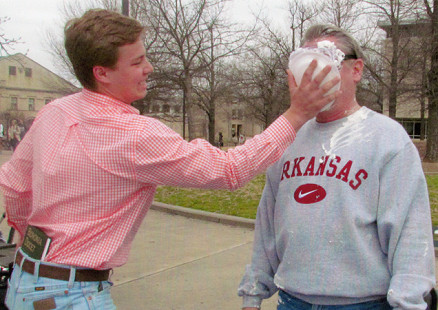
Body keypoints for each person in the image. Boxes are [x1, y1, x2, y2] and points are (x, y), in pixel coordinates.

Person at [0, 10, 340, 309]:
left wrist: (27, 242)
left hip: (24, 281)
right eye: (136, 62)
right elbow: (229, 170)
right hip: (73, 296)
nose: (149, 68)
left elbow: (14, 185)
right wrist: (297, 114)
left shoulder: (54, 113)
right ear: (101, 72)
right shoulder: (133, 135)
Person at [238, 24, 436, 310]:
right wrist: (252, 295)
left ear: (356, 70)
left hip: (365, 304)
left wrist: (408, 303)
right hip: (292, 301)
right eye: (305, 70)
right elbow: (267, 224)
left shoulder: (387, 138)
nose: (314, 80)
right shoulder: (286, 138)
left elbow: (410, 235)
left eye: (325, 65)